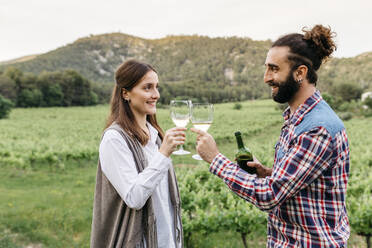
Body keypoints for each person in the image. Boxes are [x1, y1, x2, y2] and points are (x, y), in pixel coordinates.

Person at [191, 25, 350, 247]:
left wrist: (216, 159)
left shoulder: (317, 129)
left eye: (274, 69)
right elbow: (299, 184)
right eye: (266, 68)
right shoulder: (297, 119)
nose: (266, 78)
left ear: (300, 73)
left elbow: (270, 195)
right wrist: (267, 173)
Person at [91, 59, 184, 248]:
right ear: (125, 93)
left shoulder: (155, 136)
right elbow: (134, 197)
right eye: (147, 88)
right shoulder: (114, 139)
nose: (156, 95)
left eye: (157, 87)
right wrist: (164, 154)